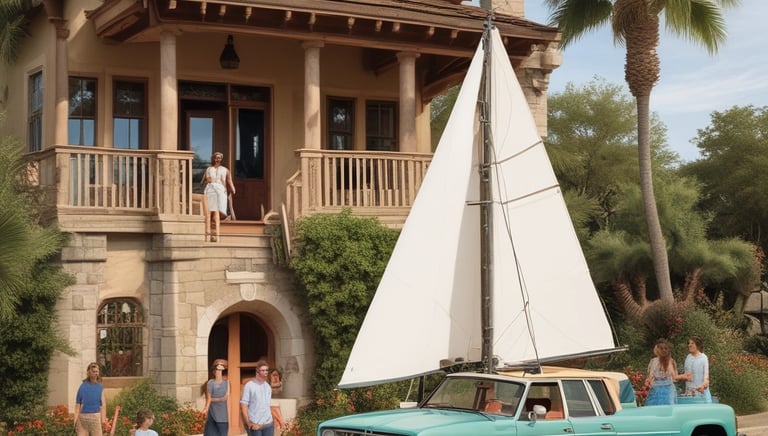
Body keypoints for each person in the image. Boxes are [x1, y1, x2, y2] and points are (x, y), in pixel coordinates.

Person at [204, 152, 235, 242]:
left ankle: (226, 215)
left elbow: (229, 180)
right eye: (216, 157)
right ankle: (212, 219)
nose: (218, 159)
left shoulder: (225, 169)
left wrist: (232, 188)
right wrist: (215, 182)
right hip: (212, 188)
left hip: (221, 189)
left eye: (219, 158)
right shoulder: (209, 169)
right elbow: (208, 179)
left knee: (223, 198)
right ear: (213, 158)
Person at [240, 360, 275, 436]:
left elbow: (267, 405)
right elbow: (244, 405)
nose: (265, 372)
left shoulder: (268, 387)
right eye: (263, 370)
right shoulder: (249, 386)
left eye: (266, 370)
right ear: (257, 372)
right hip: (255, 424)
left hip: (268, 424)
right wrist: (249, 423)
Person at [74, 362, 108, 436]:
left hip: (95, 417)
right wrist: (75, 421)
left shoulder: (100, 387)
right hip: (83, 418)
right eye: (93, 371)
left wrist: (103, 420)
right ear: (89, 372)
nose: (95, 373)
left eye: (97, 371)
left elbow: (103, 405)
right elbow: (77, 405)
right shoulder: (82, 386)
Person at [677, 335, 712, 402]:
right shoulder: (688, 357)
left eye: (692, 343)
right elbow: (687, 375)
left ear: (698, 345)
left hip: (700, 392)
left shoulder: (703, 358)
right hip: (689, 393)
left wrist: (703, 385)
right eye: (689, 343)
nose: (689, 345)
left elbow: (706, 378)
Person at [644, 339, 678, 405]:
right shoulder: (654, 361)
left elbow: (651, 376)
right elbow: (675, 378)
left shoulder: (655, 361)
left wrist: (649, 381)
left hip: (662, 390)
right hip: (660, 389)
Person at [201, 359, 230, 436]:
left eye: (222, 368)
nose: (219, 371)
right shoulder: (210, 383)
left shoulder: (228, 383)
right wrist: (206, 408)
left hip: (223, 418)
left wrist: (213, 399)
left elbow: (225, 397)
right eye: (217, 368)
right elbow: (208, 399)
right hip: (212, 417)